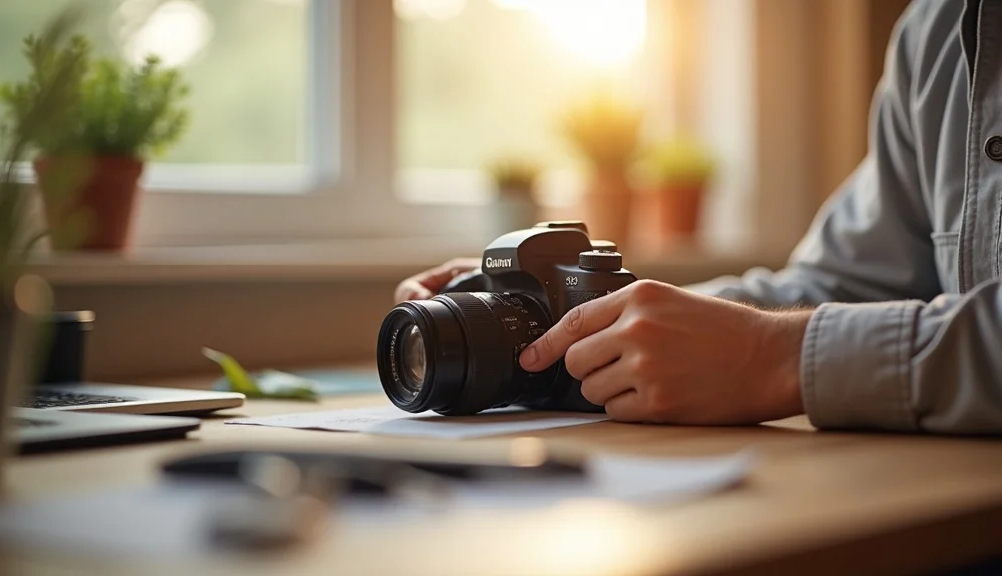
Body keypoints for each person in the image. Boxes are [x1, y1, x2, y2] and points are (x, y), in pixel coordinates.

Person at [395, 0, 1002, 435]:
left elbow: (777, 339)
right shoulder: (938, 28)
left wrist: (779, 357)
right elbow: (841, 285)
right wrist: (594, 325)